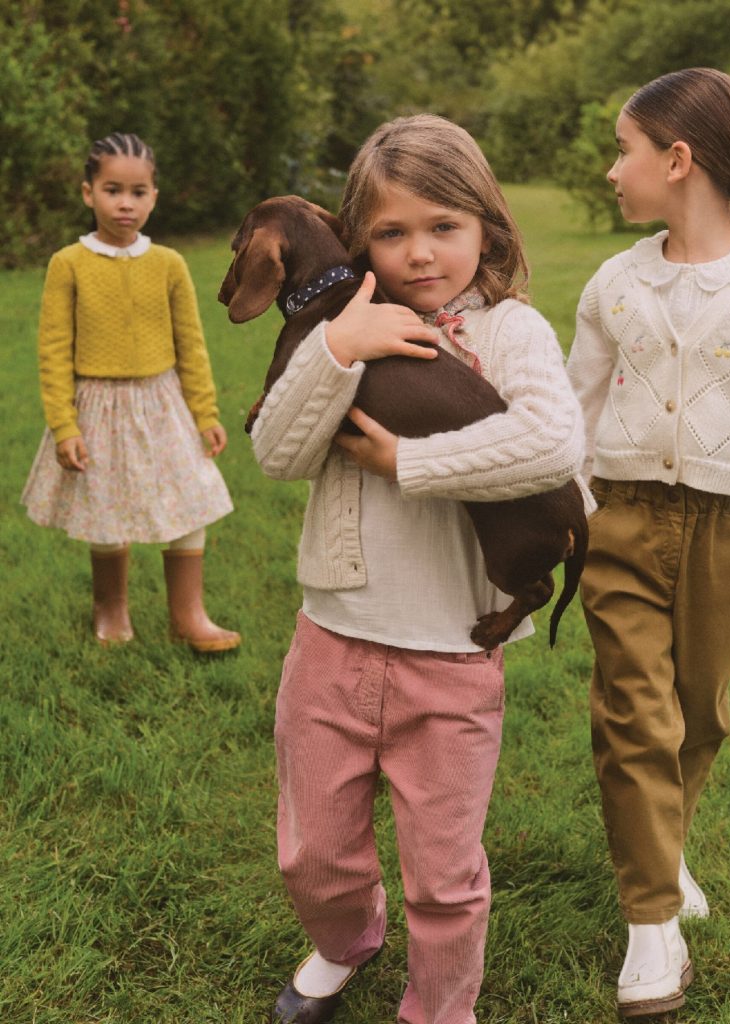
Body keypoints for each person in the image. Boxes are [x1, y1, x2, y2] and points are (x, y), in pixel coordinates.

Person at [249, 114, 591, 1024]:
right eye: (391, 232)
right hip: (332, 643)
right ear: (357, 241)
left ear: (488, 228)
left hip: (451, 656)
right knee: (314, 852)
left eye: (444, 226)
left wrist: (409, 461)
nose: (420, 252)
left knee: (443, 871)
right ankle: (344, 940)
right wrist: (338, 350)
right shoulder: (339, 330)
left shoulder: (510, 332)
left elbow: (553, 442)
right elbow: (277, 453)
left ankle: (440, 1007)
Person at [566, 68, 730, 1018]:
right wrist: (567, 515)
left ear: (677, 160)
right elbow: (572, 410)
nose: (611, 170)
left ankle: (662, 848)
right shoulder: (615, 281)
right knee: (635, 715)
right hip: (622, 518)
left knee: (698, 715)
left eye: (623, 150)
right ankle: (650, 924)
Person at [22, 132, 241, 652]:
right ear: (88, 193)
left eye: (138, 192)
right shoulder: (68, 264)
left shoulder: (168, 264)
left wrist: (205, 413)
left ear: (153, 197)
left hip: (163, 405)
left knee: (188, 500)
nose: (126, 203)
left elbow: (191, 345)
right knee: (106, 507)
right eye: (113, 190)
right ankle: (111, 610)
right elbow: (54, 350)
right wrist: (64, 425)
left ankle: (188, 615)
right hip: (97, 407)